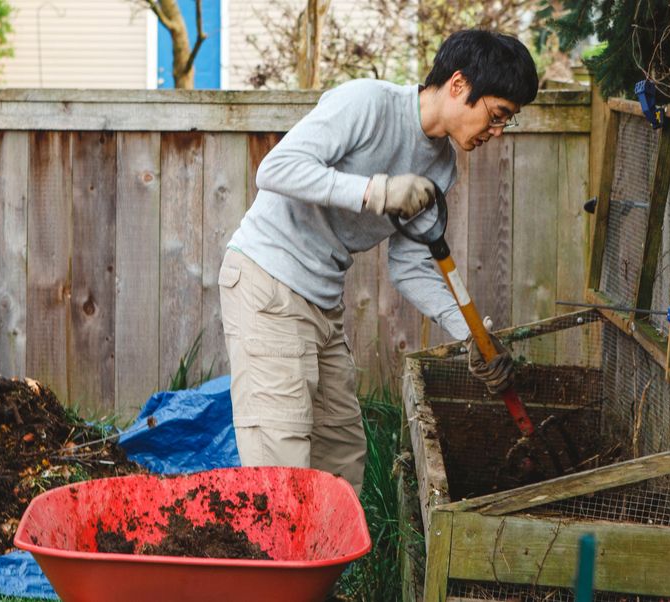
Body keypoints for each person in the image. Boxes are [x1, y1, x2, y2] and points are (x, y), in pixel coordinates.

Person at [218, 30, 538, 495]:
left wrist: (471, 334)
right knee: (280, 469)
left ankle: (328, 569)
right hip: (267, 283)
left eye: (506, 121)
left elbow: (409, 265)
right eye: (496, 115)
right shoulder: (368, 103)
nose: (497, 131)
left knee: (340, 461)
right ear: (457, 84)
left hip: (323, 303)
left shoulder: (441, 167)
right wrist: (377, 191)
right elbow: (275, 169)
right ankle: (273, 565)